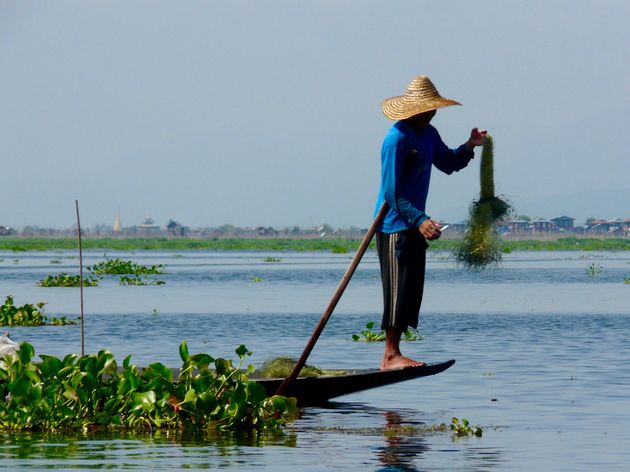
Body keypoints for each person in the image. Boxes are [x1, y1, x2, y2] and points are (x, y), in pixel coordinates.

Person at [375, 75, 486, 370]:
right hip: (393, 227)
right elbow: (392, 192)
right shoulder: (396, 139)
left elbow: (448, 163)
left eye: (433, 108)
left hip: (412, 226)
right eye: (426, 108)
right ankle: (389, 355)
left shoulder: (428, 134)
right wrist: (420, 219)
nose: (431, 112)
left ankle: (396, 352)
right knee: (397, 292)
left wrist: (470, 145)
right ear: (412, 109)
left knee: (411, 291)